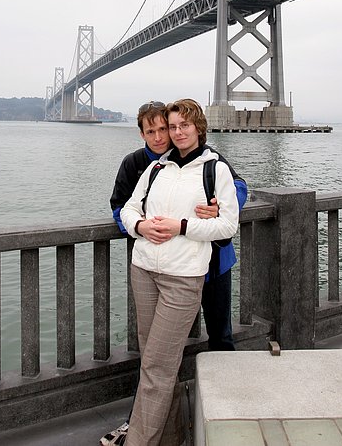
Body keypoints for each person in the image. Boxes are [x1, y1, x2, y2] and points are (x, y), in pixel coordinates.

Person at [100, 100, 246, 446]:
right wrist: (139, 227)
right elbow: (122, 207)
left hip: (207, 267)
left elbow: (234, 198)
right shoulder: (145, 166)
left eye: (169, 128)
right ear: (142, 134)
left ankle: (224, 417)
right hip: (151, 268)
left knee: (215, 339)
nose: (165, 135)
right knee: (156, 361)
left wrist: (206, 214)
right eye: (156, 130)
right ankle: (173, 434)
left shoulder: (212, 164)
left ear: (194, 127)